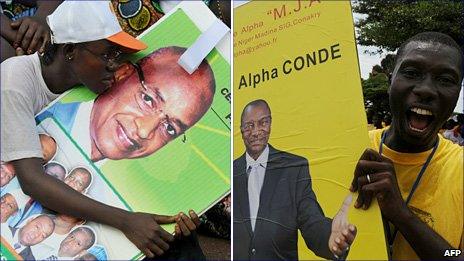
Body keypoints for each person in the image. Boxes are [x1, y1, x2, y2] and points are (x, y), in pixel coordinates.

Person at [1, 1, 200, 258]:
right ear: (71, 50)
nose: (115, 66)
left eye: (120, 56)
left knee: (179, 244)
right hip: (25, 210)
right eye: (107, 55)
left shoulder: (91, 85)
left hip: (75, 208)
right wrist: (126, 221)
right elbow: (32, 181)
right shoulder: (14, 80)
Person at [350, 32, 463, 260]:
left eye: (445, 80)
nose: (426, 90)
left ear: (458, 93)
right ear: (391, 81)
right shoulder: (349, 149)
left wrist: (402, 216)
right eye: (411, 73)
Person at [38, 46, 215, 163]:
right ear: (123, 74)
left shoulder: (106, 199)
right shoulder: (40, 121)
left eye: (170, 129)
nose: (144, 131)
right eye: (148, 100)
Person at [233, 99, 357, 260]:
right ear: (241, 130)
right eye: (249, 126)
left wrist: (330, 239)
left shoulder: (294, 168)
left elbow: (311, 220)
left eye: (263, 123)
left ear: (270, 124)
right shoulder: (231, 171)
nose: (256, 132)